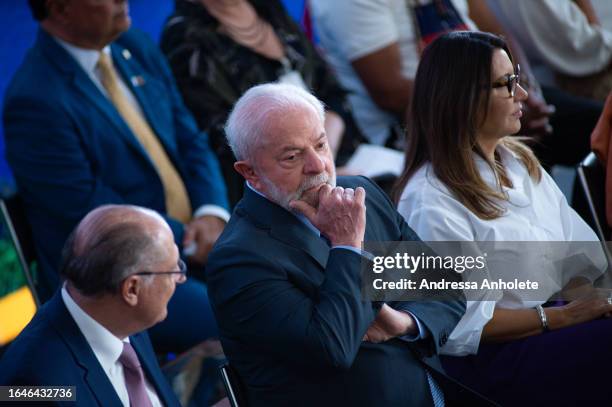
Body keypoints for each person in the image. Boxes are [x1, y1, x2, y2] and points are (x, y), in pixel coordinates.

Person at [205, 83, 475, 406]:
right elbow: (331, 348)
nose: (318, 166)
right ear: (250, 172)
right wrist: (347, 245)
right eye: (292, 157)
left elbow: (444, 285)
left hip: (435, 393)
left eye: (321, 145)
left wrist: (402, 324)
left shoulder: (362, 194)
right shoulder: (239, 259)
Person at [394, 31, 612, 405]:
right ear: (463, 98)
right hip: (491, 362)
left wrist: (598, 302)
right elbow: (457, 323)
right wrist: (564, 318)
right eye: (507, 84)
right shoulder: (427, 199)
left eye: (518, 80)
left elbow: (579, 260)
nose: (522, 95)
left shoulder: (518, 162)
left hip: (549, 324)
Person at [5, 0, 227, 352]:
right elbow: (90, 214)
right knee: (247, 316)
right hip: (125, 278)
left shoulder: (133, 45)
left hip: (194, 246)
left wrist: (211, 213)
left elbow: (191, 140)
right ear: (60, 9)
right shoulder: (35, 98)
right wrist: (189, 239)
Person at [160, 0, 365, 206]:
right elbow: (227, 142)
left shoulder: (269, 8)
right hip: (273, 190)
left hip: (339, 157)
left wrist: (324, 160)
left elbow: (333, 94)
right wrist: (315, 169)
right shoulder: (185, 37)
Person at [0, 205, 182, 406]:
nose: (180, 278)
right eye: (173, 271)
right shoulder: (32, 386)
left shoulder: (127, 321)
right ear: (131, 290)